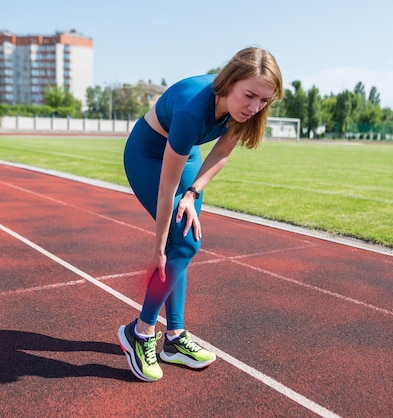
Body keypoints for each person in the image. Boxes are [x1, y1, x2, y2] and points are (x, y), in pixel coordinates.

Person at [117, 47, 283, 382]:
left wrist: (192, 194)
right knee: (181, 244)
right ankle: (140, 332)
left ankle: (174, 340)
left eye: (264, 101)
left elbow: (221, 150)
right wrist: (157, 250)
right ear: (228, 82)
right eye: (249, 96)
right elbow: (166, 190)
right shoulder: (194, 109)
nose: (255, 107)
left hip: (188, 152)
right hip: (149, 152)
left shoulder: (245, 112)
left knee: (187, 242)